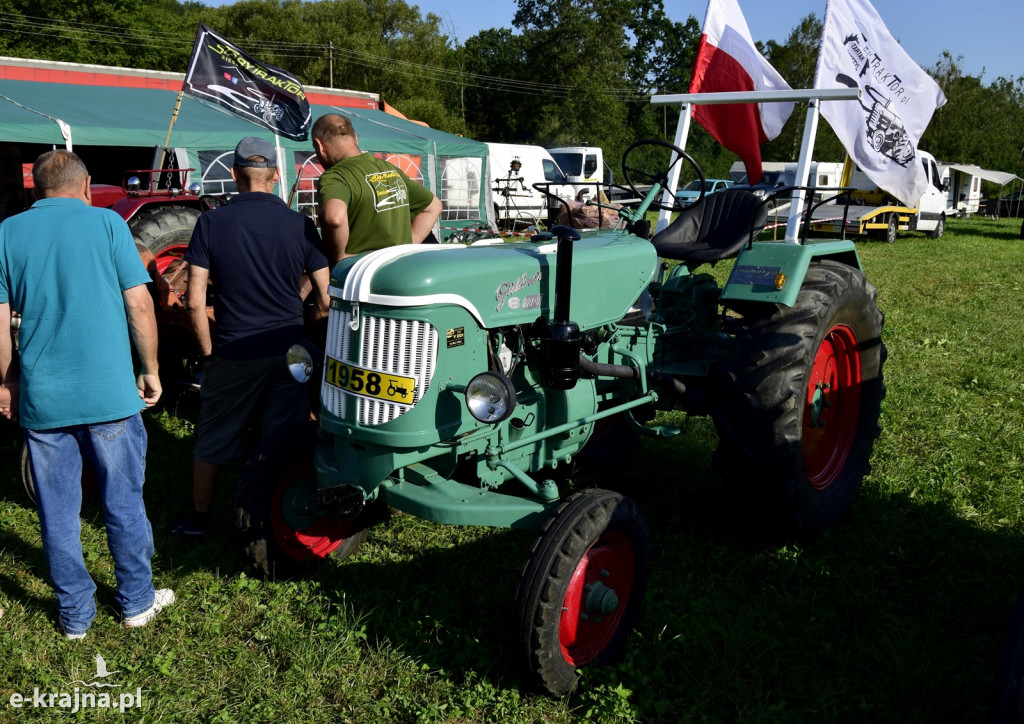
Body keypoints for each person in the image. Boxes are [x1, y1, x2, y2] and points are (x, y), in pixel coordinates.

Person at [0, 149, 172, 639]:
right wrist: (151, 369)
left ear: (36, 189)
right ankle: (137, 601)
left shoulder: (6, 233)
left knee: (56, 511)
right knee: (123, 501)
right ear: (87, 184)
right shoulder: (108, 225)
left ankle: (75, 615)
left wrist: (8, 380)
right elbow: (139, 303)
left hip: (44, 397)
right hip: (110, 394)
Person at [170, 137, 331, 538]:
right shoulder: (300, 225)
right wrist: (297, 322)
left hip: (235, 350)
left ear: (233, 175)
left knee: (213, 438)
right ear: (276, 176)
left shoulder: (211, 222)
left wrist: (208, 356)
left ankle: (200, 520)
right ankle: (274, 514)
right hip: (290, 351)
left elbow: (193, 303)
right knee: (284, 435)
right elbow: (326, 299)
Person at [311, 113, 443, 264]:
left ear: (320, 145)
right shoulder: (388, 168)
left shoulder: (335, 176)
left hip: (363, 277)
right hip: (401, 269)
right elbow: (434, 206)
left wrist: (340, 258)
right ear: (355, 138)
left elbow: (334, 217)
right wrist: (408, 245)